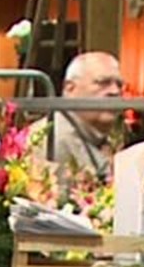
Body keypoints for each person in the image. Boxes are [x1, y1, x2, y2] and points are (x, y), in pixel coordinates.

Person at [47, 51, 126, 182]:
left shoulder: (99, 137)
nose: (115, 91)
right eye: (103, 82)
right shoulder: (54, 140)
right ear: (70, 88)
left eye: (119, 85)